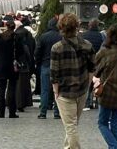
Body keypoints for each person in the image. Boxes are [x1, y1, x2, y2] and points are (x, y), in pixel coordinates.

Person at [51, 13, 95, 149]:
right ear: (76, 26)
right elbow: (92, 68)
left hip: (64, 91)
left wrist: (55, 91)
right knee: (73, 125)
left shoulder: (57, 47)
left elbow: (54, 74)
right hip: (82, 90)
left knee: (70, 126)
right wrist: (87, 85)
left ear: (62, 28)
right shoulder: (87, 45)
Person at [35, 16, 62, 119]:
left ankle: (43, 112)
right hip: (58, 66)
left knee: (45, 90)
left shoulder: (43, 36)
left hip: (45, 65)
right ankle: (57, 112)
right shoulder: (61, 37)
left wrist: (38, 63)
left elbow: (37, 52)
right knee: (57, 90)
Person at [0, 18, 19, 118]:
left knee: (2, 89)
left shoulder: (1, 37)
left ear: (6, 26)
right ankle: (12, 112)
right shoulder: (16, 37)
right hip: (12, 65)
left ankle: (1, 112)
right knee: (12, 89)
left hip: (2, 65)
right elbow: (20, 51)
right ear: (14, 27)